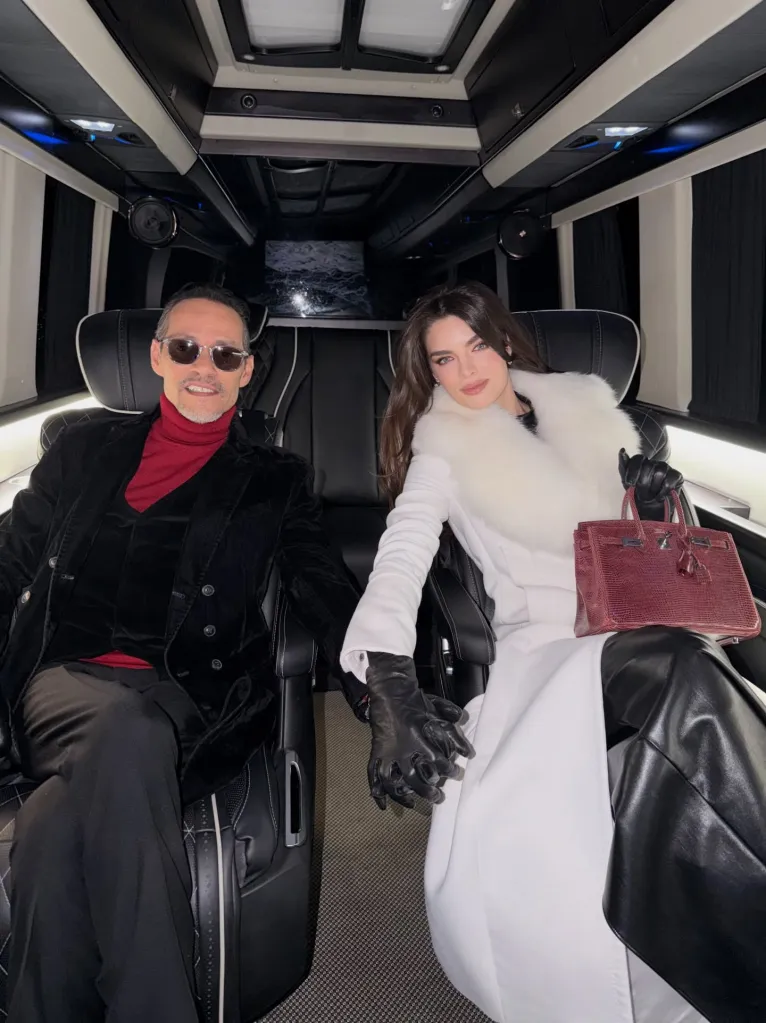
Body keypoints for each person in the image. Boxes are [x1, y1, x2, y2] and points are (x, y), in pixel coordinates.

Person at [341, 281, 766, 1023]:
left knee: (692, 659)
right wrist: (389, 681)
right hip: (549, 651)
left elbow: (648, 549)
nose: (466, 369)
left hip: (640, 621)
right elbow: (402, 557)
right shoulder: (440, 451)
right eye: (444, 359)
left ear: (502, 342)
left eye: (476, 346)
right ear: (430, 373)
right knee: (676, 665)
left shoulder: (590, 411)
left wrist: (658, 501)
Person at [0, 284, 366, 1023]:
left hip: (190, 700)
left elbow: (321, 583)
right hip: (63, 686)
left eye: (225, 354)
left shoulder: (275, 479)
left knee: (50, 830)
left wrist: (379, 681)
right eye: (186, 347)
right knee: (126, 733)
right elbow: (11, 558)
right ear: (157, 356)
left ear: (247, 371)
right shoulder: (81, 449)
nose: (205, 365)